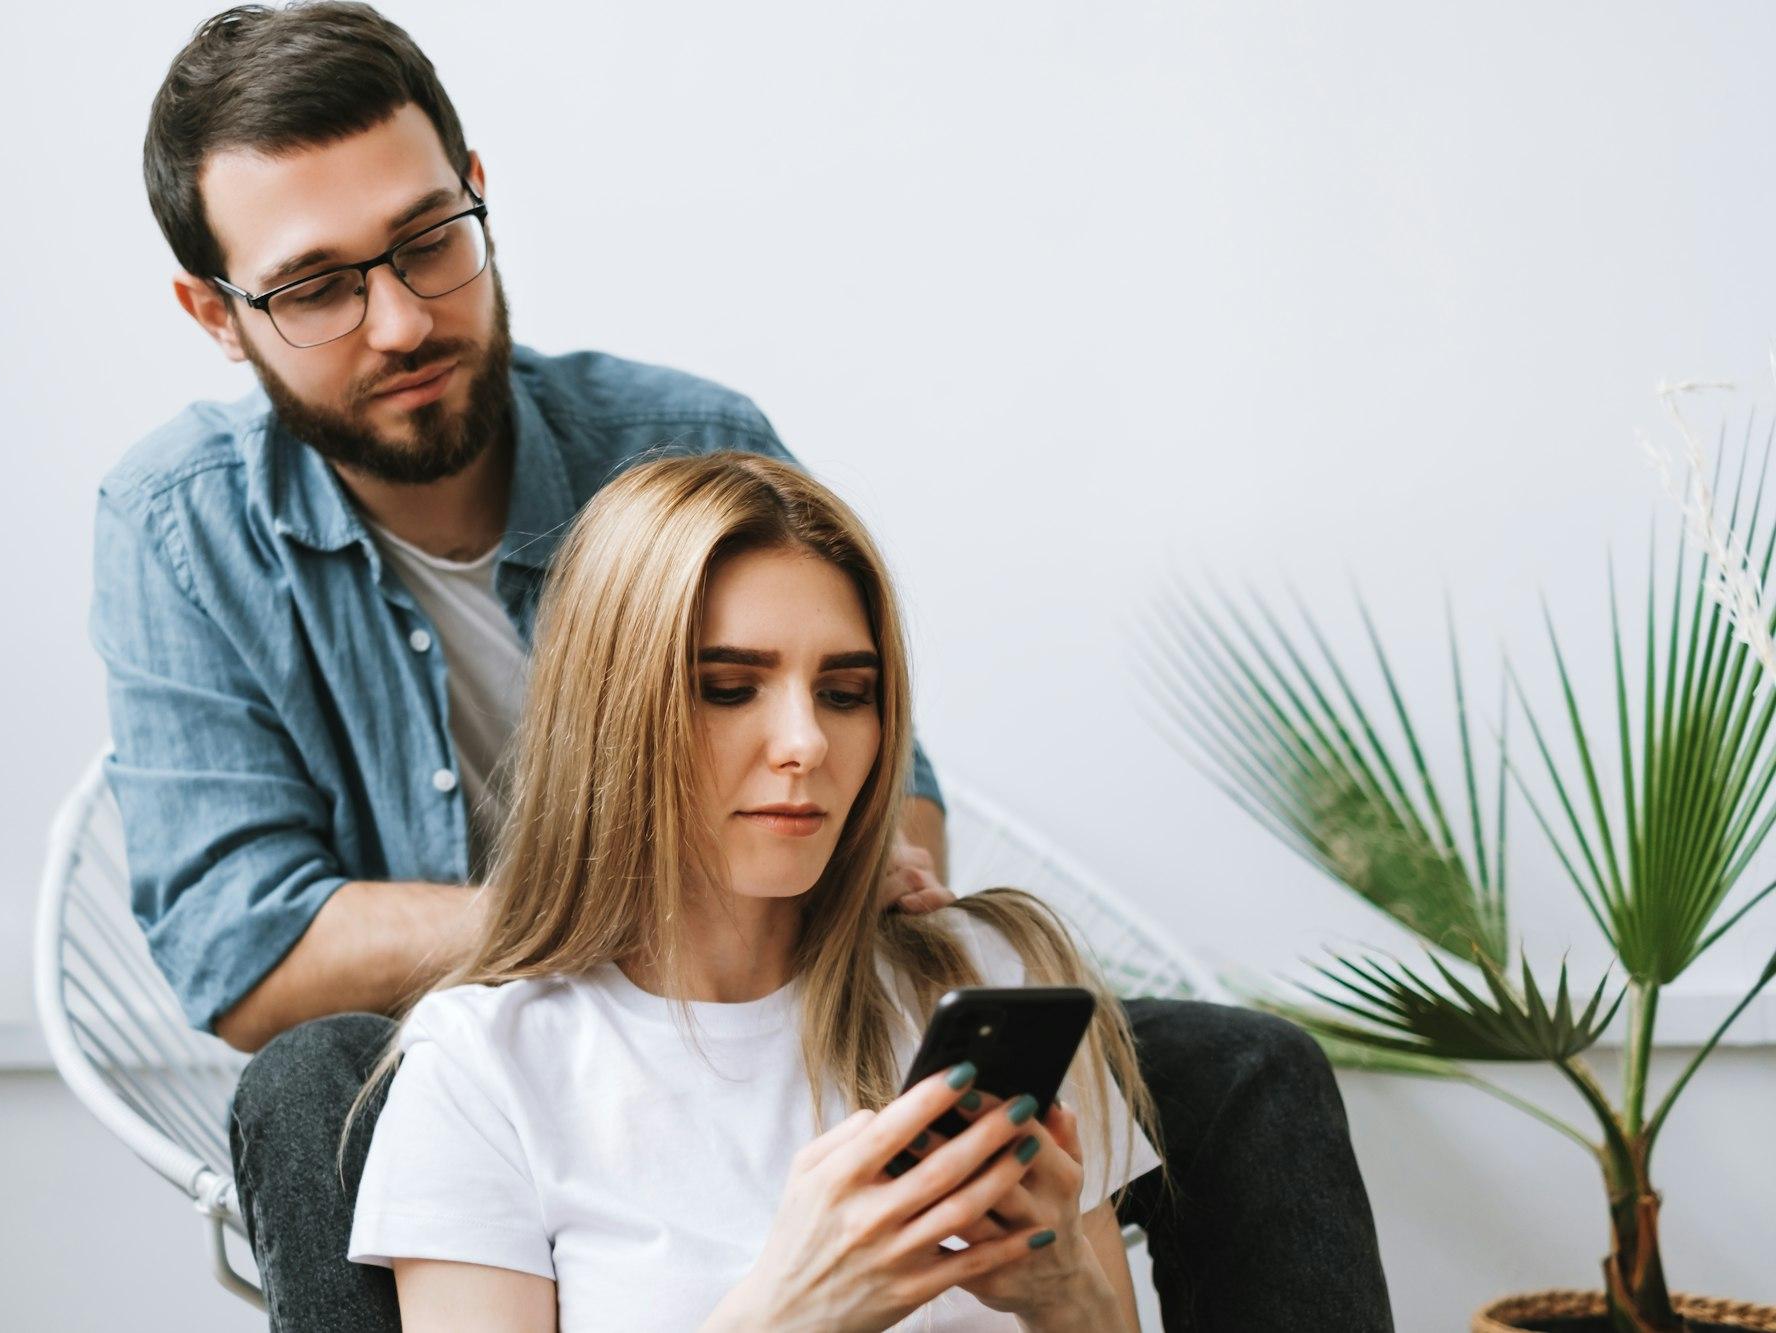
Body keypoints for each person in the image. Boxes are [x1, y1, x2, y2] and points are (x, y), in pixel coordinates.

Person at [94, 3, 1394, 1328]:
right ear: (215, 311)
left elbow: (900, 792)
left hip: (782, 985)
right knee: (314, 1080)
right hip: (504, 1020)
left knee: (1243, 1065)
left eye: (432, 243)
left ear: (477, 196)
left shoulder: (687, 435)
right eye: (317, 286)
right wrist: (625, 915)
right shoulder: (179, 529)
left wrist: (826, 866)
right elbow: (243, 955)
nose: (400, 319)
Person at [346, 450, 1157, 1332]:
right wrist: (793, 1312)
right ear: (612, 714)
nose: (805, 741)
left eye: (846, 692)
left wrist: (1067, 1294)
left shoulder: (988, 973)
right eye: (729, 688)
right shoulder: (484, 1069)